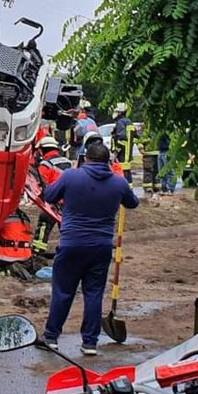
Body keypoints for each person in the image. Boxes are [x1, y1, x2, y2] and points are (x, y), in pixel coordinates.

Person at [40, 143, 139, 356]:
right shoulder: (118, 182)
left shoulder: (70, 176)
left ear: (85, 158)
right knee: (93, 293)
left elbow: (49, 196)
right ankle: (90, 343)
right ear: (109, 162)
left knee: (63, 292)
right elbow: (133, 203)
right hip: (101, 246)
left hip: (72, 244)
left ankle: (51, 337)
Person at [33, 136, 73, 253]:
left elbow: (40, 183)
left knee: (44, 225)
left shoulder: (46, 165)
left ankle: (37, 251)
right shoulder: (67, 162)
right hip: (69, 201)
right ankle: (68, 250)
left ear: (43, 149)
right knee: (66, 228)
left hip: (53, 202)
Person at [111, 103, 133, 183]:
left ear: (120, 112)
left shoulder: (120, 122)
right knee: (127, 172)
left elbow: (122, 138)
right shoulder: (129, 122)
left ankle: (125, 191)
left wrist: (116, 151)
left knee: (123, 173)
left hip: (122, 153)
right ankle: (129, 190)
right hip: (128, 153)